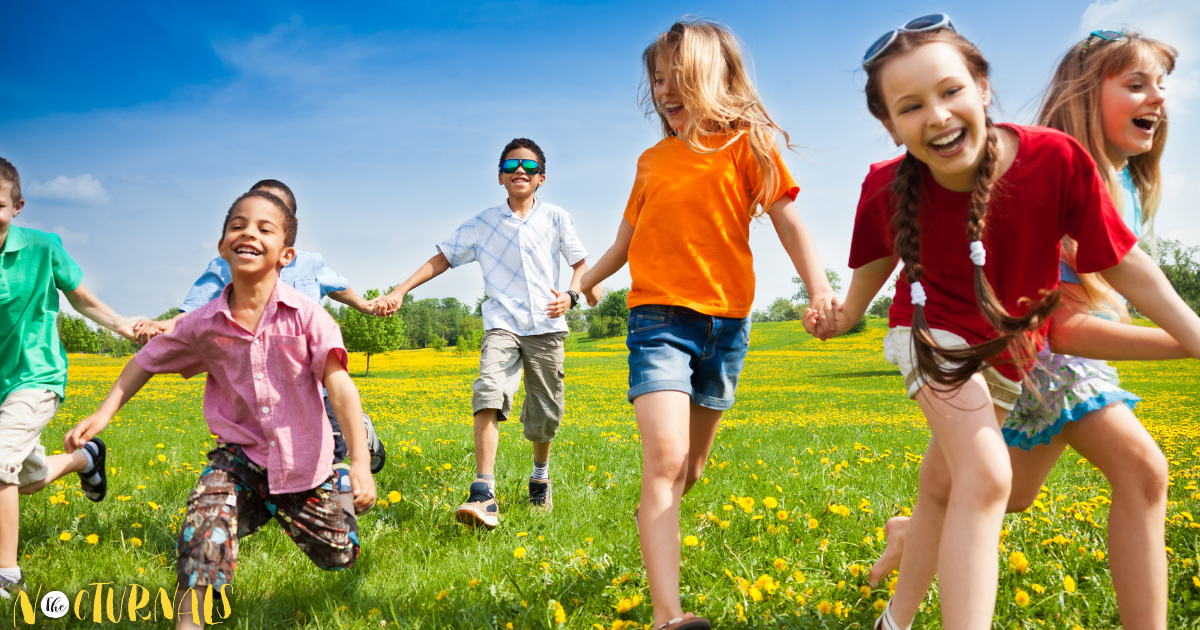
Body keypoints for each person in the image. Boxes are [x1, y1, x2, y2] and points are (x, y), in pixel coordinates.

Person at [805, 16, 1200, 630]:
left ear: (982, 87)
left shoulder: (1053, 160)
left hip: (1011, 348)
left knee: (953, 487)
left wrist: (1194, 334)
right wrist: (847, 313)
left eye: (950, 91)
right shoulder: (886, 186)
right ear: (888, 125)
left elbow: (1126, 265)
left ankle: (895, 619)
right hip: (930, 335)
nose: (936, 115)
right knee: (987, 476)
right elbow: (877, 259)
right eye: (910, 106)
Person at [578, 19, 836, 630]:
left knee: (688, 470)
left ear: (714, 78)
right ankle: (671, 617)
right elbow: (625, 243)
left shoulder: (750, 146)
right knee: (665, 459)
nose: (666, 91)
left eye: (679, 78)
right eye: (658, 80)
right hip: (658, 321)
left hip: (726, 328)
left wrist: (822, 288)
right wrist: (585, 281)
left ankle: (651, 518)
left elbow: (789, 221)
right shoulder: (651, 161)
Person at [64, 191, 376, 630]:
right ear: (222, 246)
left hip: (305, 463)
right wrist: (104, 414)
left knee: (338, 555)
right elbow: (145, 361)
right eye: (238, 225)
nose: (249, 232)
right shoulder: (201, 324)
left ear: (287, 254)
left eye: (265, 228)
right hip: (239, 459)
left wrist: (359, 463)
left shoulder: (308, 317)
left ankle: (340, 489)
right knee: (202, 530)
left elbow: (339, 387)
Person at [372, 138, 592, 528]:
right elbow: (442, 258)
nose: (519, 171)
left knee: (545, 413)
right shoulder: (482, 224)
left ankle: (540, 477)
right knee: (488, 389)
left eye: (527, 165)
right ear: (499, 177)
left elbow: (581, 265)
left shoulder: (557, 217)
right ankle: (484, 491)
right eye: (510, 165)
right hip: (501, 325)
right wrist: (400, 290)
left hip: (546, 326)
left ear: (542, 176)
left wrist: (572, 296)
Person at [130, 180, 387, 475]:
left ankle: (359, 437)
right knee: (264, 469)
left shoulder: (309, 262)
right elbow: (192, 313)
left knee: (329, 466)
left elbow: (336, 286)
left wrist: (366, 305)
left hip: (315, 392)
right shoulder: (228, 262)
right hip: (258, 397)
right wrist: (160, 325)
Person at [0, 156, 140, 597]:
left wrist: (123, 325)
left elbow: (80, 297)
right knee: (25, 478)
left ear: (17, 205)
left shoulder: (43, 247)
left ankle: (7, 575)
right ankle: (87, 459)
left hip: (35, 376)